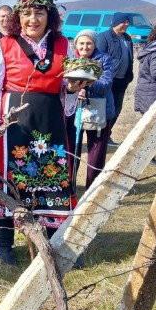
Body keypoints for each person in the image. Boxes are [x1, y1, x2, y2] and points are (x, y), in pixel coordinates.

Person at [0, 0, 89, 266]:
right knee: (7, 188)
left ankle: (55, 245)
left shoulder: (64, 46)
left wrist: (73, 87)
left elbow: (66, 89)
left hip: (49, 126)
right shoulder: (3, 46)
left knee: (50, 184)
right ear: (18, 17)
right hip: (11, 127)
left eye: (40, 13)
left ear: (49, 15)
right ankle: (5, 249)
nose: (33, 19)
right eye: (28, 13)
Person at [65, 29, 115, 190]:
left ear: (94, 44)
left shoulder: (104, 59)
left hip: (99, 111)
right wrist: (73, 89)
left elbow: (106, 84)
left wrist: (85, 82)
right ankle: (69, 185)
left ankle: (92, 188)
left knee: (96, 152)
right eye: (81, 43)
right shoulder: (71, 59)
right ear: (76, 44)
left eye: (89, 43)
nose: (85, 47)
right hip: (74, 110)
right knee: (72, 148)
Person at [96, 12, 134, 146]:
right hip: (108, 81)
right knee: (105, 109)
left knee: (117, 109)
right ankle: (99, 136)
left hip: (122, 80)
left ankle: (107, 135)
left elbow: (130, 58)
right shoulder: (104, 37)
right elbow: (98, 59)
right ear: (116, 22)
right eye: (124, 21)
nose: (127, 24)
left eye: (128, 22)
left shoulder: (127, 38)